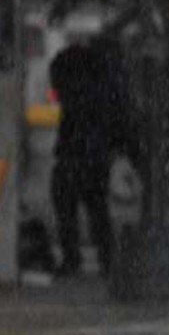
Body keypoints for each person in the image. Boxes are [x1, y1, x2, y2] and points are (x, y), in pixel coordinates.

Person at [48, 36, 137, 278]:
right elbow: (118, 121)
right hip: (95, 155)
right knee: (96, 208)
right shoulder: (106, 83)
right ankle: (105, 259)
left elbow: (73, 119)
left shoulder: (77, 82)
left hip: (75, 154)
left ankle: (74, 259)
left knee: (68, 206)